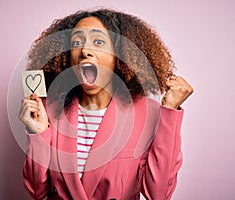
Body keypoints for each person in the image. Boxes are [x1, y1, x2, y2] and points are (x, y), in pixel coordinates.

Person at [19, 8, 193, 200]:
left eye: (99, 42)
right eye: (77, 42)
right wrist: (37, 133)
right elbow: (37, 191)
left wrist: (169, 113)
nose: (85, 50)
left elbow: (158, 194)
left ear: (119, 56)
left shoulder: (147, 114)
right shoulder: (49, 109)